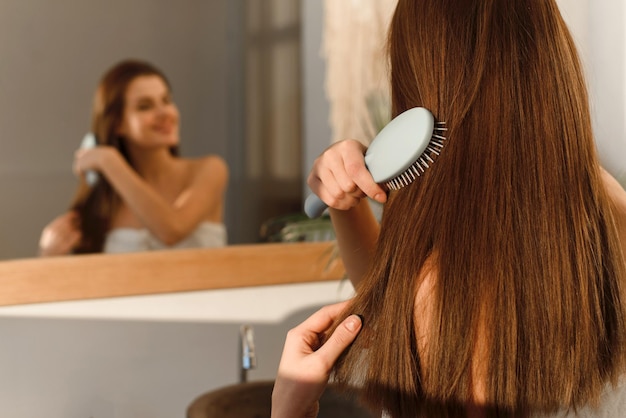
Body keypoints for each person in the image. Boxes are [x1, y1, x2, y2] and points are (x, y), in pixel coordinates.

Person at [276, 0, 626, 417]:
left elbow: (420, 305)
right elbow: (404, 303)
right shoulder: (606, 202)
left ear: (419, 81)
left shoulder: (447, 290)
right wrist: (345, 207)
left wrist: (289, 411)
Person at [38, 59, 228, 256]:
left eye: (166, 100)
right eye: (145, 106)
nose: (164, 113)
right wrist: (47, 254)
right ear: (117, 124)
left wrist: (109, 162)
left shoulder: (210, 169)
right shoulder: (103, 202)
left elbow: (172, 230)